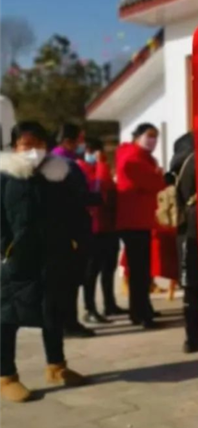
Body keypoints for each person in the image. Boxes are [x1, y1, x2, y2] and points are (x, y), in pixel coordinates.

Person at [1, 122, 87, 402]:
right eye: (26, 144)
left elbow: (76, 211)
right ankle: (6, 376)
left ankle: (56, 366)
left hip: (54, 255)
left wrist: (76, 241)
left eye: (38, 144)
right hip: (16, 259)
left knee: (53, 312)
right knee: (7, 317)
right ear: (15, 146)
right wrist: (6, 249)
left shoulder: (58, 175)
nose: (33, 150)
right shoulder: (5, 176)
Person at [116, 123, 164, 329]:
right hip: (134, 222)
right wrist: (157, 175)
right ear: (137, 136)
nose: (153, 140)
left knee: (141, 270)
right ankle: (141, 313)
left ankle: (141, 309)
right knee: (139, 271)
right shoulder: (132, 158)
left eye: (155, 136)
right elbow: (154, 183)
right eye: (149, 135)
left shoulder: (142, 157)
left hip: (140, 220)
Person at [52, 123, 96, 338]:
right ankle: (69, 323)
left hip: (59, 228)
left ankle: (63, 322)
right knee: (71, 279)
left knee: (63, 280)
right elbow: (79, 196)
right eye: (80, 140)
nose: (82, 144)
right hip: (72, 228)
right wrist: (97, 196)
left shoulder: (52, 160)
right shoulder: (66, 164)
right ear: (69, 141)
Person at [77, 138, 125, 323]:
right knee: (92, 271)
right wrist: (102, 164)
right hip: (94, 228)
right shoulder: (82, 168)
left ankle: (109, 304)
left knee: (108, 268)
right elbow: (102, 186)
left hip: (109, 226)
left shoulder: (97, 168)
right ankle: (90, 308)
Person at [168, 132, 198, 352]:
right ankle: (197, 336)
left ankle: (191, 337)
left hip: (185, 230)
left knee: (191, 286)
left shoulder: (178, 164)